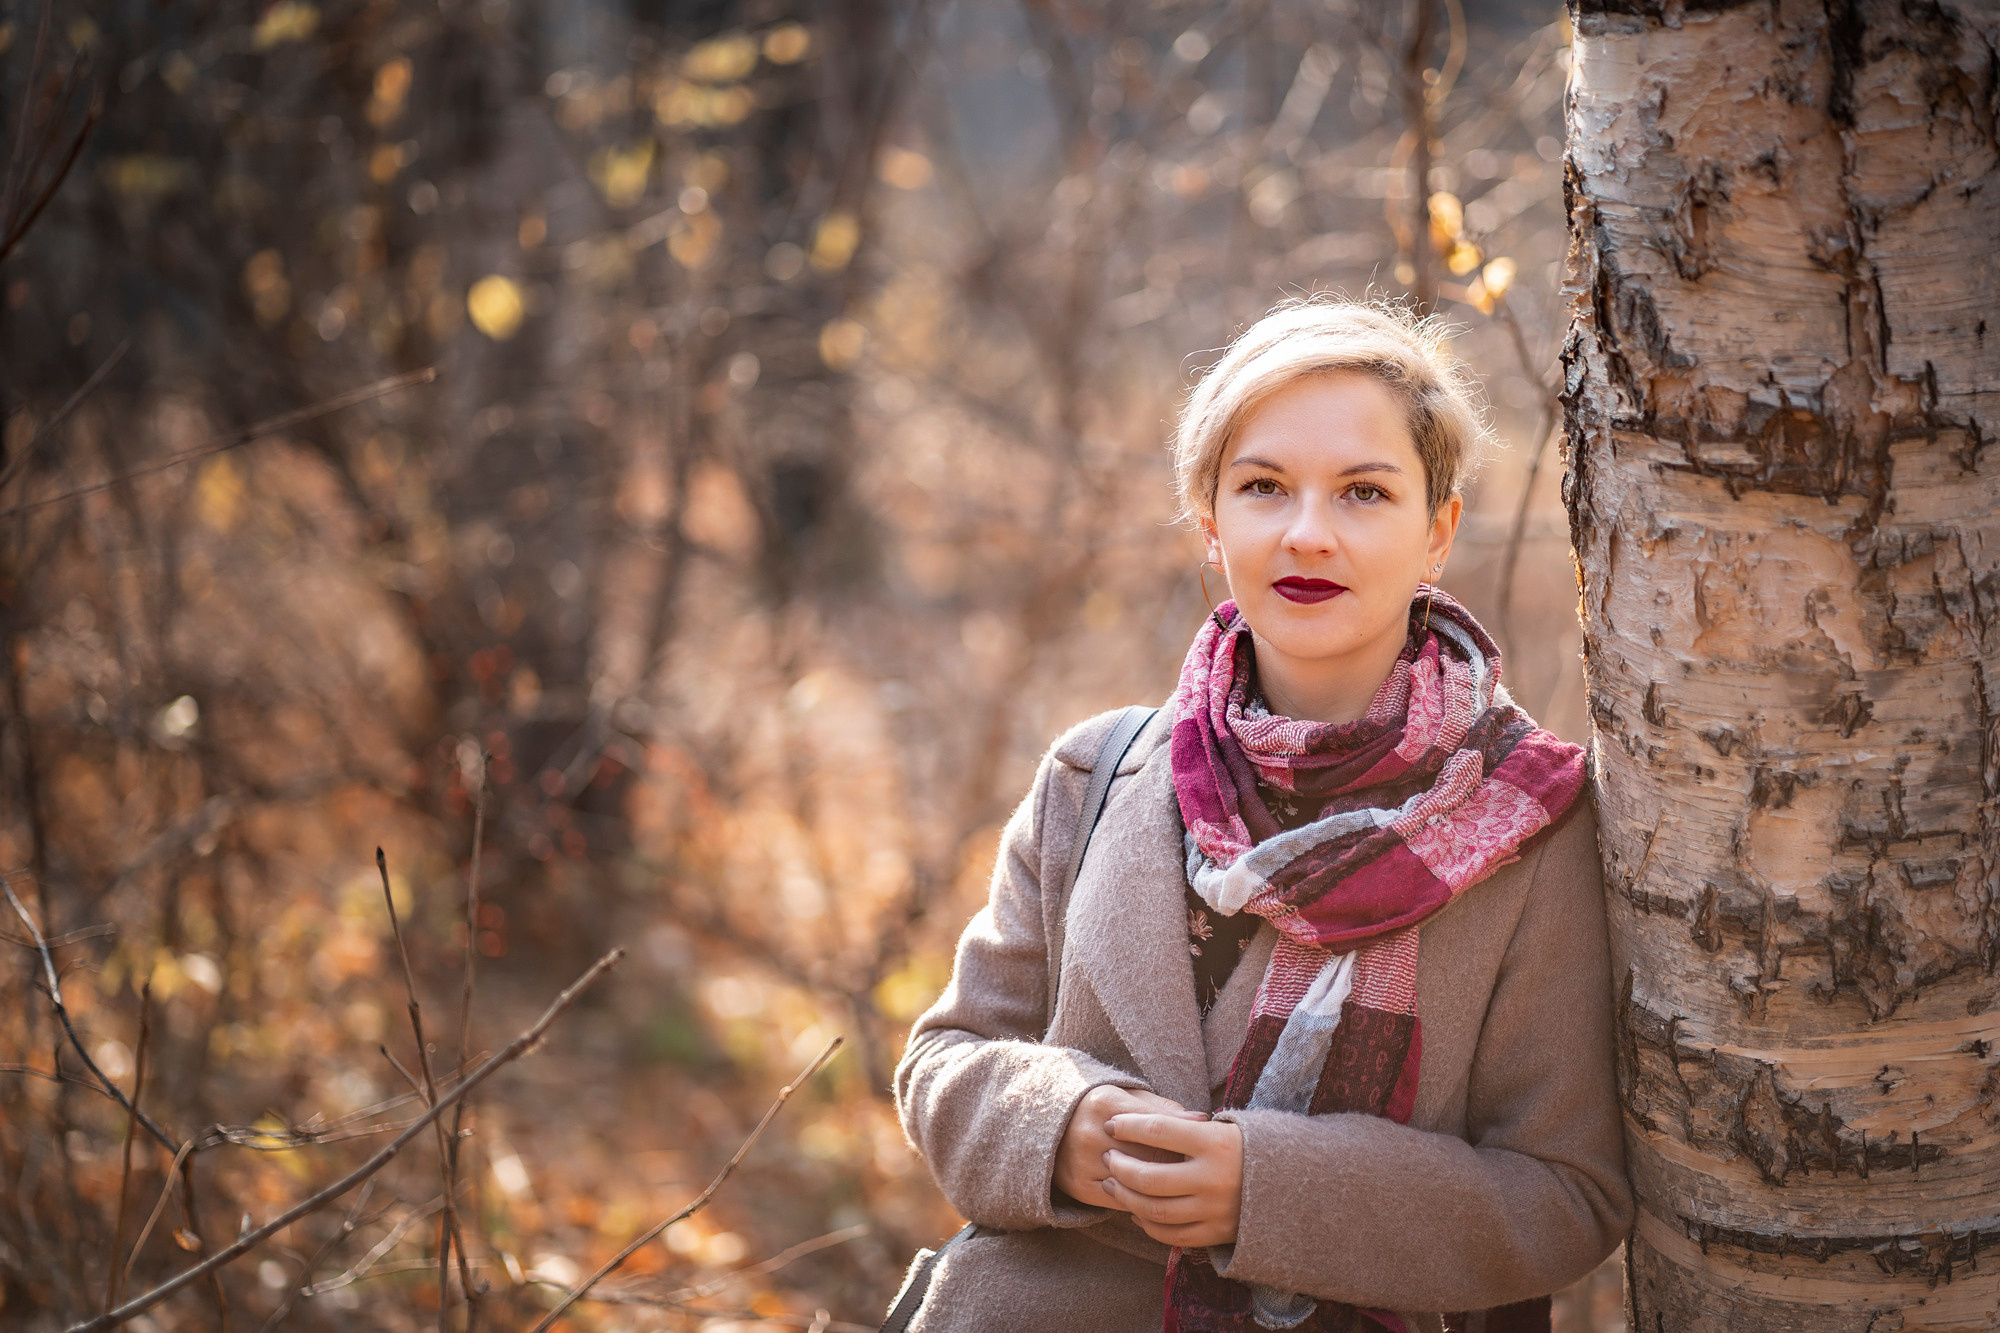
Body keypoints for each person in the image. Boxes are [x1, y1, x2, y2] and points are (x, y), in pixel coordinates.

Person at [893, 297, 1631, 1333]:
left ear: (1437, 531)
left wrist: (1266, 1187)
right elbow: (947, 1060)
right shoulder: (1094, 773)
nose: (1306, 533)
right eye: (1262, 487)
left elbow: (1564, 1195)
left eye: (1363, 492)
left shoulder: (1531, 824)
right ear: (1210, 522)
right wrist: (1062, 1126)